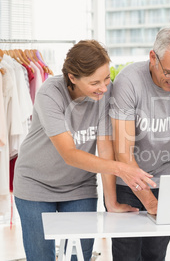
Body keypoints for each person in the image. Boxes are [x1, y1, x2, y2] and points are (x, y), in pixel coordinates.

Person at [13, 40, 156, 261]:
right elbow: (69, 153)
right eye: (95, 82)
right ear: (72, 78)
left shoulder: (103, 95)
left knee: (79, 256)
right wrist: (121, 168)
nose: (104, 87)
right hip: (35, 185)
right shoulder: (50, 93)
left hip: (79, 187)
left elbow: (105, 147)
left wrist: (111, 202)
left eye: (107, 78)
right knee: (40, 257)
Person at [103, 26, 170, 261]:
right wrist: (151, 203)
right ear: (153, 57)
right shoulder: (129, 81)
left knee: (155, 255)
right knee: (127, 256)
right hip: (127, 183)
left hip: (164, 182)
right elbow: (123, 152)